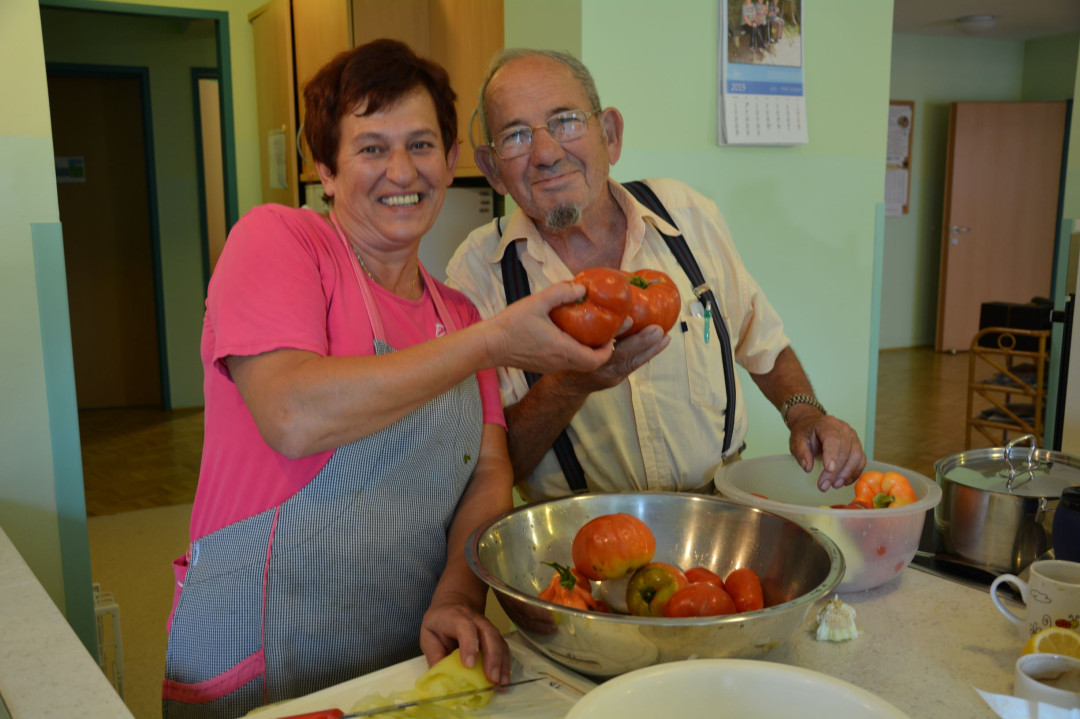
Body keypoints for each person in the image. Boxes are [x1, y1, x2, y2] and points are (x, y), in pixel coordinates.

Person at [162, 40, 611, 718]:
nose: (402, 170)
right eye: (371, 148)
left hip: (403, 656)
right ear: (326, 170)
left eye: (422, 144)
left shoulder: (455, 310)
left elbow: (488, 473)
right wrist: (490, 340)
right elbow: (293, 414)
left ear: (450, 158)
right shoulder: (279, 242)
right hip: (265, 654)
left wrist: (459, 594)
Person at [445, 49, 866, 504]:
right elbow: (493, 464)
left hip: (719, 517)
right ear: (492, 169)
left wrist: (803, 414)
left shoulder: (687, 215)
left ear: (610, 135)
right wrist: (570, 384)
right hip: (579, 544)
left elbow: (759, 337)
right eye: (516, 136)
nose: (546, 153)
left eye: (566, 121)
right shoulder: (476, 273)